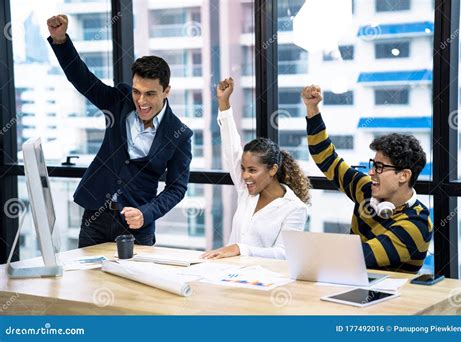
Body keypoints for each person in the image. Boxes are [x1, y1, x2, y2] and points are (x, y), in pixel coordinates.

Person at [46, 15, 193, 247]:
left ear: (166, 91)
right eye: (137, 92)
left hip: (137, 224)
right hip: (95, 217)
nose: (141, 101)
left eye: (150, 94)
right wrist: (61, 41)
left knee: (134, 283)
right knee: (88, 282)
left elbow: (176, 188)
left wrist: (147, 213)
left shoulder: (180, 135)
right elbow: (83, 80)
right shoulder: (120, 101)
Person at [302, 85, 432, 273]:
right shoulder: (366, 189)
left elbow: (362, 257)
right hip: (350, 284)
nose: (372, 173)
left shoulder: (417, 223)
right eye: (373, 165)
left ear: (404, 175)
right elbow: (326, 158)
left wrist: (312, 252)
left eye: (380, 167)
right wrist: (312, 108)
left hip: (393, 299)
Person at [201, 78, 311, 260]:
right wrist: (224, 103)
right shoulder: (246, 190)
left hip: (263, 281)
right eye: (243, 169)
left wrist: (240, 249)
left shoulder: (295, 208)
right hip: (228, 274)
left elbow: (284, 254)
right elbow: (231, 148)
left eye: (252, 170)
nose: (244, 176)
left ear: (273, 170)